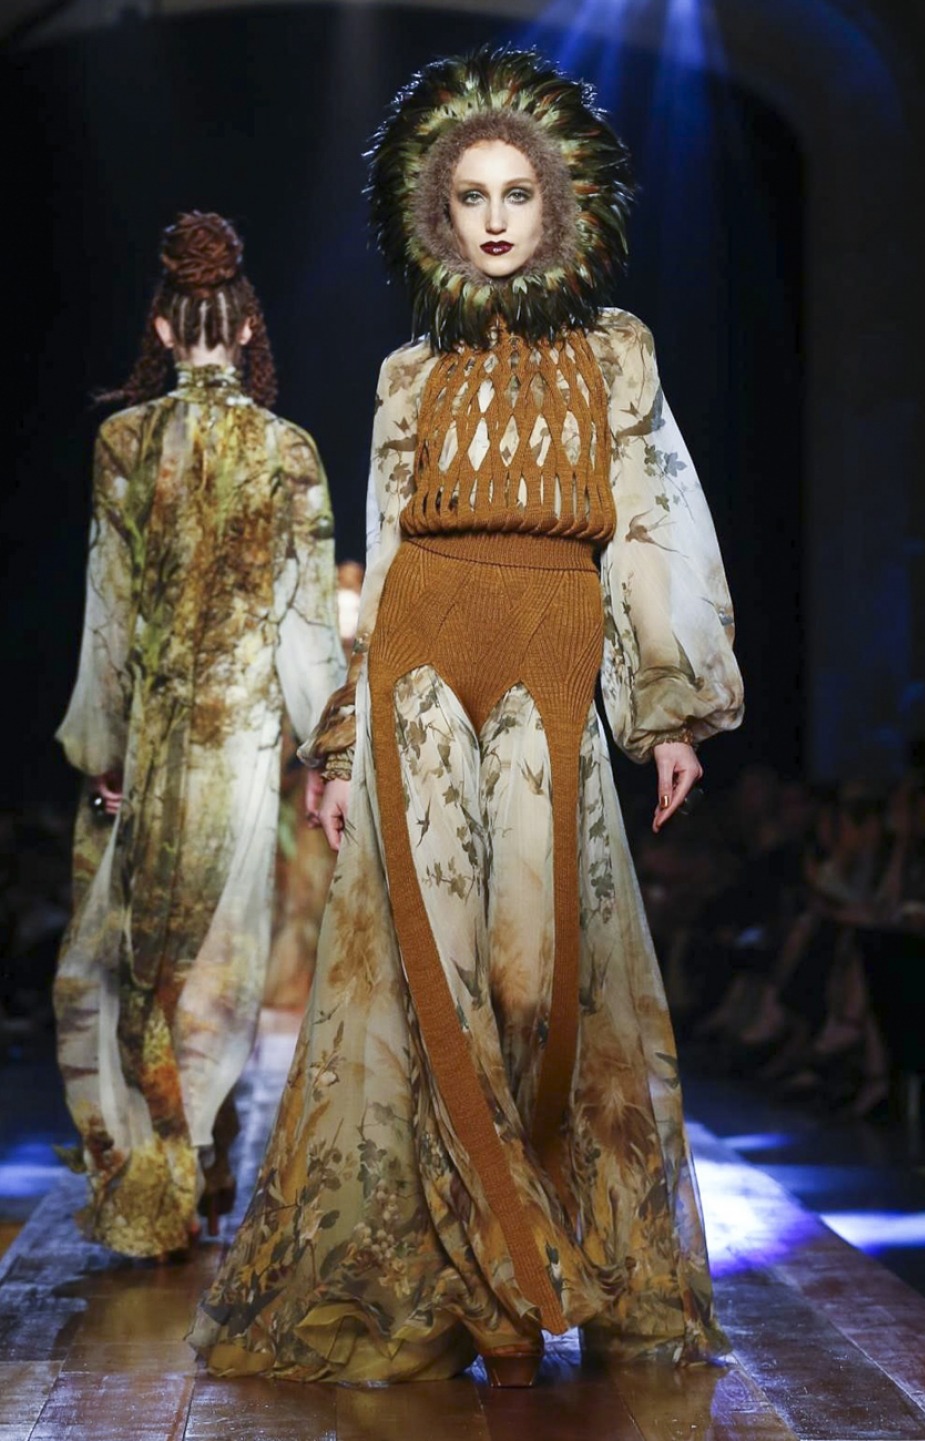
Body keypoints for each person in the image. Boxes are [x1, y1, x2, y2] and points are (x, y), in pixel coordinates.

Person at [190, 48, 743, 1384]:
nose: (496, 218)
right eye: (471, 196)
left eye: (518, 193)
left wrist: (667, 710)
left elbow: (655, 527)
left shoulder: (617, 355)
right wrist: (339, 739)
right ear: (437, 214)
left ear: (559, 204)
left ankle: (538, 1244)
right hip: (422, 673)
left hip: (551, 659)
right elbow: (382, 560)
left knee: (534, 977)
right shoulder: (406, 375)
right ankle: (474, 1283)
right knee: (433, 980)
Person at [53, 211, 344, 1260]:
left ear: (167, 329)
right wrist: (328, 751)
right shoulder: (288, 451)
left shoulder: (123, 443)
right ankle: (204, 1154)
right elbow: (308, 625)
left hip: (153, 735)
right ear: (249, 327)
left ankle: (158, 1171)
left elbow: (110, 610)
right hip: (243, 746)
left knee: (137, 957)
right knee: (223, 959)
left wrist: (104, 745)